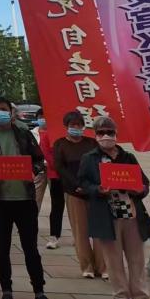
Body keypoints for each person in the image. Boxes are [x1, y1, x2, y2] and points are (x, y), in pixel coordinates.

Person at [0, 97, 56, 299]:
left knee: (31, 249)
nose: (0, 112)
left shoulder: (23, 134)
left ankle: (39, 290)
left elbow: (39, 160)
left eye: (4, 109)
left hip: (25, 199)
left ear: (11, 112)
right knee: (2, 249)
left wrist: (33, 171)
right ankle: (6, 290)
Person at [78, 116, 150, 299]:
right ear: (96, 135)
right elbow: (83, 183)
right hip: (107, 214)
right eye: (101, 132)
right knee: (113, 258)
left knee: (137, 257)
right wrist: (97, 190)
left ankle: (141, 296)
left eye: (110, 132)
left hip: (131, 213)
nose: (106, 136)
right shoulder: (89, 158)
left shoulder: (128, 157)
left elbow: (144, 182)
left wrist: (141, 189)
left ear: (116, 134)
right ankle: (121, 295)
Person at [54, 111, 106, 277]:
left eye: (79, 125)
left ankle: (103, 267)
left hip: (94, 191)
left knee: (100, 230)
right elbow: (60, 168)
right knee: (80, 231)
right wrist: (76, 185)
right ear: (66, 126)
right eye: (73, 125)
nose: (76, 128)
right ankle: (87, 267)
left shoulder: (91, 143)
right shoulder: (60, 144)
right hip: (74, 192)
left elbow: (100, 165)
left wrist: (92, 186)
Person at [33, 109, 65, 250]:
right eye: (41, 116)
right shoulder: (33, 134)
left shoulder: (59, 134)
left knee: (59, 204)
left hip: (58, 174)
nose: (43, 119)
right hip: (40, 170)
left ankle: (56, 235)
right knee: (35, 200)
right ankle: (31, 228)